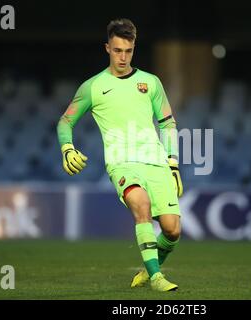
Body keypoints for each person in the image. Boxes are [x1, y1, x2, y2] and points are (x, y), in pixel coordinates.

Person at [56, 18, 183, 292]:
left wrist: (172, 164)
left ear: (134, 49)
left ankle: (149, 270)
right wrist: (67, 147)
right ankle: (158, 278)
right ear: (107, 48)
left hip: (156, 161)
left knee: (172, 230)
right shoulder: (93, 87)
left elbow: (167, 123)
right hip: (121, 162)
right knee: (142, 206)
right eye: (117, 50)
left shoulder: (151, 83)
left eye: (128, 51)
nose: (123, 57)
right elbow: (65, 122)